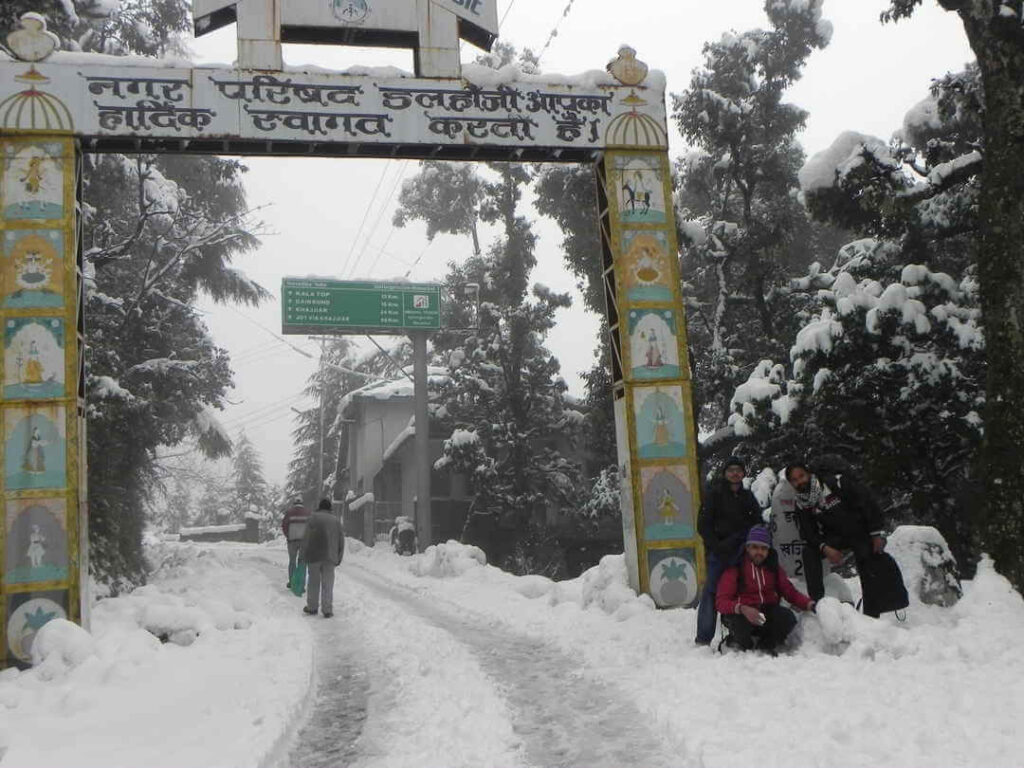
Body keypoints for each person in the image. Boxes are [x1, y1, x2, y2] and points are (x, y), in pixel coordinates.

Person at [785, 459, 895, 618]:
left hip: (860, 532)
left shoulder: (835, 483)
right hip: (836, 537)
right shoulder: (802, 502)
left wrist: (875, 533)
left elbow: (868, 503)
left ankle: (872, 616)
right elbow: (808, 533)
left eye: (801, 476)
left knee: (867, 562)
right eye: (794, 480)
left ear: (809, 474)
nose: (799, 481)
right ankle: (820, 607)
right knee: (809, 552)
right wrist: (824, 547)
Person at [695, 456, 763, 645]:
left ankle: (743, 632)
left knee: (743, 589)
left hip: (743, 551)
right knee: (711, 591)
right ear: (725, 473)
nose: (734, 473)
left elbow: (757, 522)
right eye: (730, 470)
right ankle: (703, 637)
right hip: (719, 552)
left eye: (738, 470)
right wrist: (716, 546)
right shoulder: (714, 495)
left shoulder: (747, 496)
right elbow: (703, 525)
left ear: (743, 473)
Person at [715, 525, 815, 652]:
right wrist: (742, 608)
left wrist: (809, 604)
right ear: (747, 548)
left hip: (764, 613)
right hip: (741, 613)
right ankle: (736, 642)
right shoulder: (735, 567)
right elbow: (721, 602)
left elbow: (789, 592)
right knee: (741, 628)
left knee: (786, 618)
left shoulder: (773, 567)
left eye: (764, 548)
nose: (759, 552)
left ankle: (765, 643)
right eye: (755, 547)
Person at [300, 498, 345, 618]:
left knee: (313, 582)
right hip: (330, 556)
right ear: (330, 508)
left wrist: (303, 554)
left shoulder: (312, 518)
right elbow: (341, 540)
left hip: (314, 555)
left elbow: (306, 538)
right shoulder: (336, 521)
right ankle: (327, 609)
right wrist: (339, 557)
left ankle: (312, 607)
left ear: (319, 507)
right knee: (328, 583)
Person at [282, 497, 308, 587]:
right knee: (302, 562)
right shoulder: (308, 513)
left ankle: (293, 583)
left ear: (294, 503)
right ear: (302, 503)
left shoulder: (289, 512)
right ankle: (301, 584)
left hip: (292, 541)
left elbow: (284, 526)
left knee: (292, 561)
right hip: (304, 541)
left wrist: (288, 536)